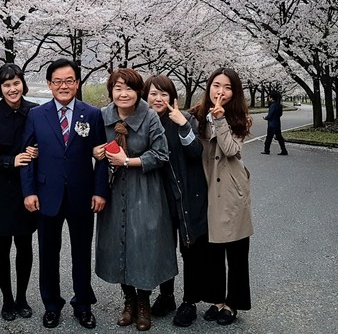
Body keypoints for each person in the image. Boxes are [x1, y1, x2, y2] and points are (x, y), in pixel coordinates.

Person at [21, 58, 109, 330]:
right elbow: (27, 156)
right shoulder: (37, 115)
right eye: (57, 81)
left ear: (77, 83)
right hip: (47, 195)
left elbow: (101, 156)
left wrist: (99, 191)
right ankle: (51, 305)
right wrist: (29, 192)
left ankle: (83, 305)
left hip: (82, 196)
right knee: (48, 253)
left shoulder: (92, 114)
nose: (63, 86)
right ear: (49, 84)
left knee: (82, 253)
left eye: (69, 80)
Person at [93, 68, 174, 332]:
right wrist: (95, 153)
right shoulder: (102, 116)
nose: (123, 93)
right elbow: (92, 150)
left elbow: (162, 154)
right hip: (114, 191)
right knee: (119, 244)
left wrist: (129, 161)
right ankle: (127, 300)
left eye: (128, 88)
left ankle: (143, 303)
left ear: (139, 92)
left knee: (144, 245)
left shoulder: (149, 117)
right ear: (111, 92)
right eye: (117, 88)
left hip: (145, 189)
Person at [143, 75, 209, 328]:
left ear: (173, 99)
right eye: (152, 94)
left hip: (186, 196)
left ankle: (190, 301)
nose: (158, 99)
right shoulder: (145, 123)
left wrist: (183, 125)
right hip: (159, 198)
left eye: (163, 94)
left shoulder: (184, 120)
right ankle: (167, 296)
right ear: (145, 97)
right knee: (164, 249)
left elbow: (195, 153)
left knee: (190, 250)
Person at [189, 67, 253, 326]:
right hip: (205, 189)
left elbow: (229, 149)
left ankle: (233, 302)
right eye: (217, 85)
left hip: (230, 190)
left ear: (234, 92)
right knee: (212, 249)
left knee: (236, 250)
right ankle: (216, 299)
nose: (221, 92)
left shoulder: (240, 119)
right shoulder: (196, 115)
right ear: (209, 87)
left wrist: (220, 120)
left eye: (227, 87)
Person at [0, 63, 39, 321]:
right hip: (0, 189)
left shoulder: (36, 111)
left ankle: (22, 297)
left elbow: (46, 145)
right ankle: (6, 299)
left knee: (25, 244)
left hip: (27, 189)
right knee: (1, 245)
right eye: (6, 85)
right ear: (0, 88)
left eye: (16, 83)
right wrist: (10, 160)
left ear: (23, 84)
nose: (12, 89)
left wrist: (38, 152)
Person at [261, 91, 288, 155]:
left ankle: (266, 150)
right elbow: (280, 114)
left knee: (269, 138)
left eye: (269, 97)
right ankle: (284, 150)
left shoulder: (272, 105)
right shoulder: (279, 105)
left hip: (271, 124)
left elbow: (270, 115)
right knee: (279, 137)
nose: (268, 98)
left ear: (272, 98)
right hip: (277, 123)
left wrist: (265, 118)